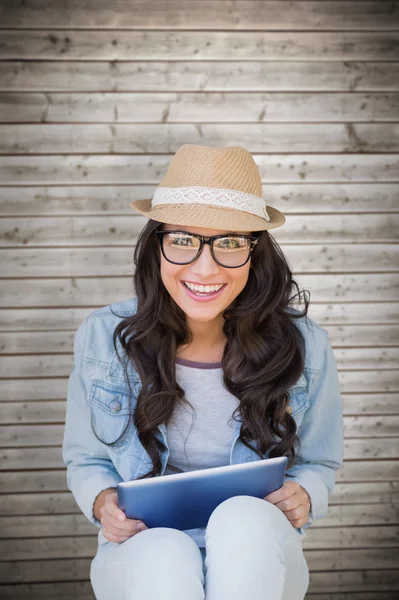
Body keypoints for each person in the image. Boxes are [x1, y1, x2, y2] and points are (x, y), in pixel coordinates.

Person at [62, 144, 344, 600]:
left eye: (230, 242)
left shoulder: (306, 345)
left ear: (256, 252)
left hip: (260, 555)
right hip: (142, 552)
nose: (205, 267)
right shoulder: (102, 338)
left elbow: (319, 461)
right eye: (183, 239)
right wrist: (101, 500)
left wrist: (306, 492)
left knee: (243, 518)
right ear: (156, 245)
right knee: (165, 553)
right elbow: (86, 458)